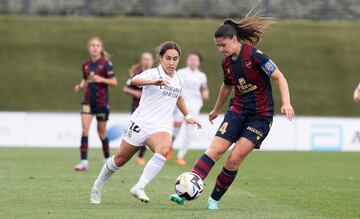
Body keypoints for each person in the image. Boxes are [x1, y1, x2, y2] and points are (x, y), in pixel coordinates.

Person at [170, 13, 295, 210]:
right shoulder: (226, 63)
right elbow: (227, 87)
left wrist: (286, 103)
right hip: (237, 111)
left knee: (234, 158)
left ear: (234, 39)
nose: (220, 49)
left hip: (260, 117)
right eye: (217, 46)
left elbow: (280, 78)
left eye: (223, 45)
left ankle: (213, 200)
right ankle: (186, 191)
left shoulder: (255, 56)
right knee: (215, 150)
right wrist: (216, 110)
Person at [90, 41, 202, 204]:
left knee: (163, 150)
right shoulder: (153, 73)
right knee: (119, 160)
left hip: (161, 126)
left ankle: (139, 186)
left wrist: (188, 116)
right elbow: (134, 80)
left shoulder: (179, 79)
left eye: (175, 59)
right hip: (140, 123)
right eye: (168, 58)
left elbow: (179, 97)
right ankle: (97, 185)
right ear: (161, 58)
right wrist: (153, 82)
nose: (171, 62)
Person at [73, 37, 118, 171]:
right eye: (92, 45)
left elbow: (114, 82)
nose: (95, 47)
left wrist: (101, 79)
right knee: (85, 130)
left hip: (101, 102)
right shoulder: (86, 64)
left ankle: (107, 159)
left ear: (101, 48)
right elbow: (85, 78)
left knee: (102, 133)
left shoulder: (106, 64)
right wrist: (80, 86)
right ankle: (84, 162)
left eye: (97, 45)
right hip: (87, 101)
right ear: (89, 48)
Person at [170, 52, 209, 165]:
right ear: (187, 60)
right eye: (191, 59)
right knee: (175, 130)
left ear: (198, 62)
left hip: (195, 106)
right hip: (180, 104)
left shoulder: (201, 76)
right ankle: (169, 148)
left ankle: (180, 156)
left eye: (195, 60)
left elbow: (204, 88)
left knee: (189, 132)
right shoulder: (181, 72)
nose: (193, 61)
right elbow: (174, 86)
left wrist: (205, 93)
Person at [123, 52, 154, 165]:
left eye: (148, 59)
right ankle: (127, 150)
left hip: (151, 109)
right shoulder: (136, 74)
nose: (146, 61)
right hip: (137, 108)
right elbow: (125, 88)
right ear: (141, 61)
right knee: (136, 131)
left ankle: (140, 156)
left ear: (152, 61)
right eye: (144, 59)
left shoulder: (154, 74)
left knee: (147, 132)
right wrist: (135, 92)